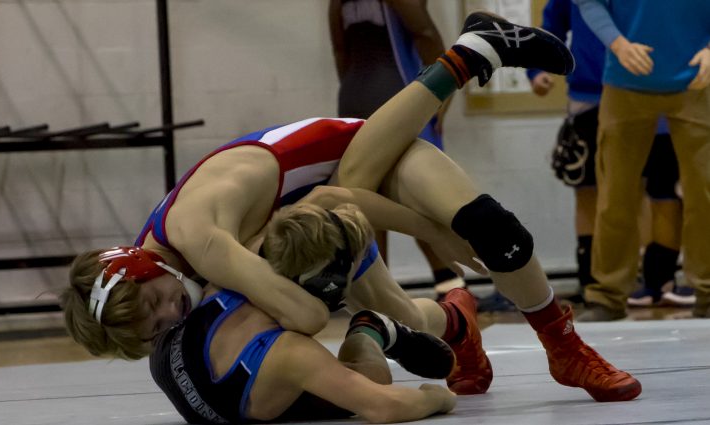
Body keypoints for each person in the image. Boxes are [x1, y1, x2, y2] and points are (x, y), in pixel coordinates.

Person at [63, 12, 641, 402]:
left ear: (141, 267)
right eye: (155, 332)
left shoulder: (199, 239)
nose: (171, 319)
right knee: (410, 321)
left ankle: (565, 348)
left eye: (157, 305)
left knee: (492, 233)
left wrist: (434, 235)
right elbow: (326, 223)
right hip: (321, 207)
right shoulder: (176, 263)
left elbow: (333, 217)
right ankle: (460, 321)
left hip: (348, 159)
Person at [148, 203, 458, 424]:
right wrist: (438, 398)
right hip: (230, 398)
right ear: (330, 285)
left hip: (169, 364)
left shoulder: (234, 268)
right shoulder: (291, 354)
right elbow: (384, 407)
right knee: (372, 379)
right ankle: (370, 329)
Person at [526, 0, 690, 307]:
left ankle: (658, 278)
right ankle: (594, 282)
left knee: (662, 187)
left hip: (658, 86)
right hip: (591, 93)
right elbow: (552, 26)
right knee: (593, 187)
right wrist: (537, 69)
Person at [573, 0, 710, 321]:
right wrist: (618, 44)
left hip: (698, 81)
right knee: (614, 193)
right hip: (625, 80)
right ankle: (607, 295)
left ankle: (708, 290)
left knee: (705, 192)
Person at [328, 0, 461, 290]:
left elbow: (340, 50)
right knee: (421, 196)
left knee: (365, 198)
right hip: (397, 91)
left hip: (353, 94)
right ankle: (452, 287)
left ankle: (379, 294)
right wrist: (441, 94)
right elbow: (425, 32)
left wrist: (355, 95)